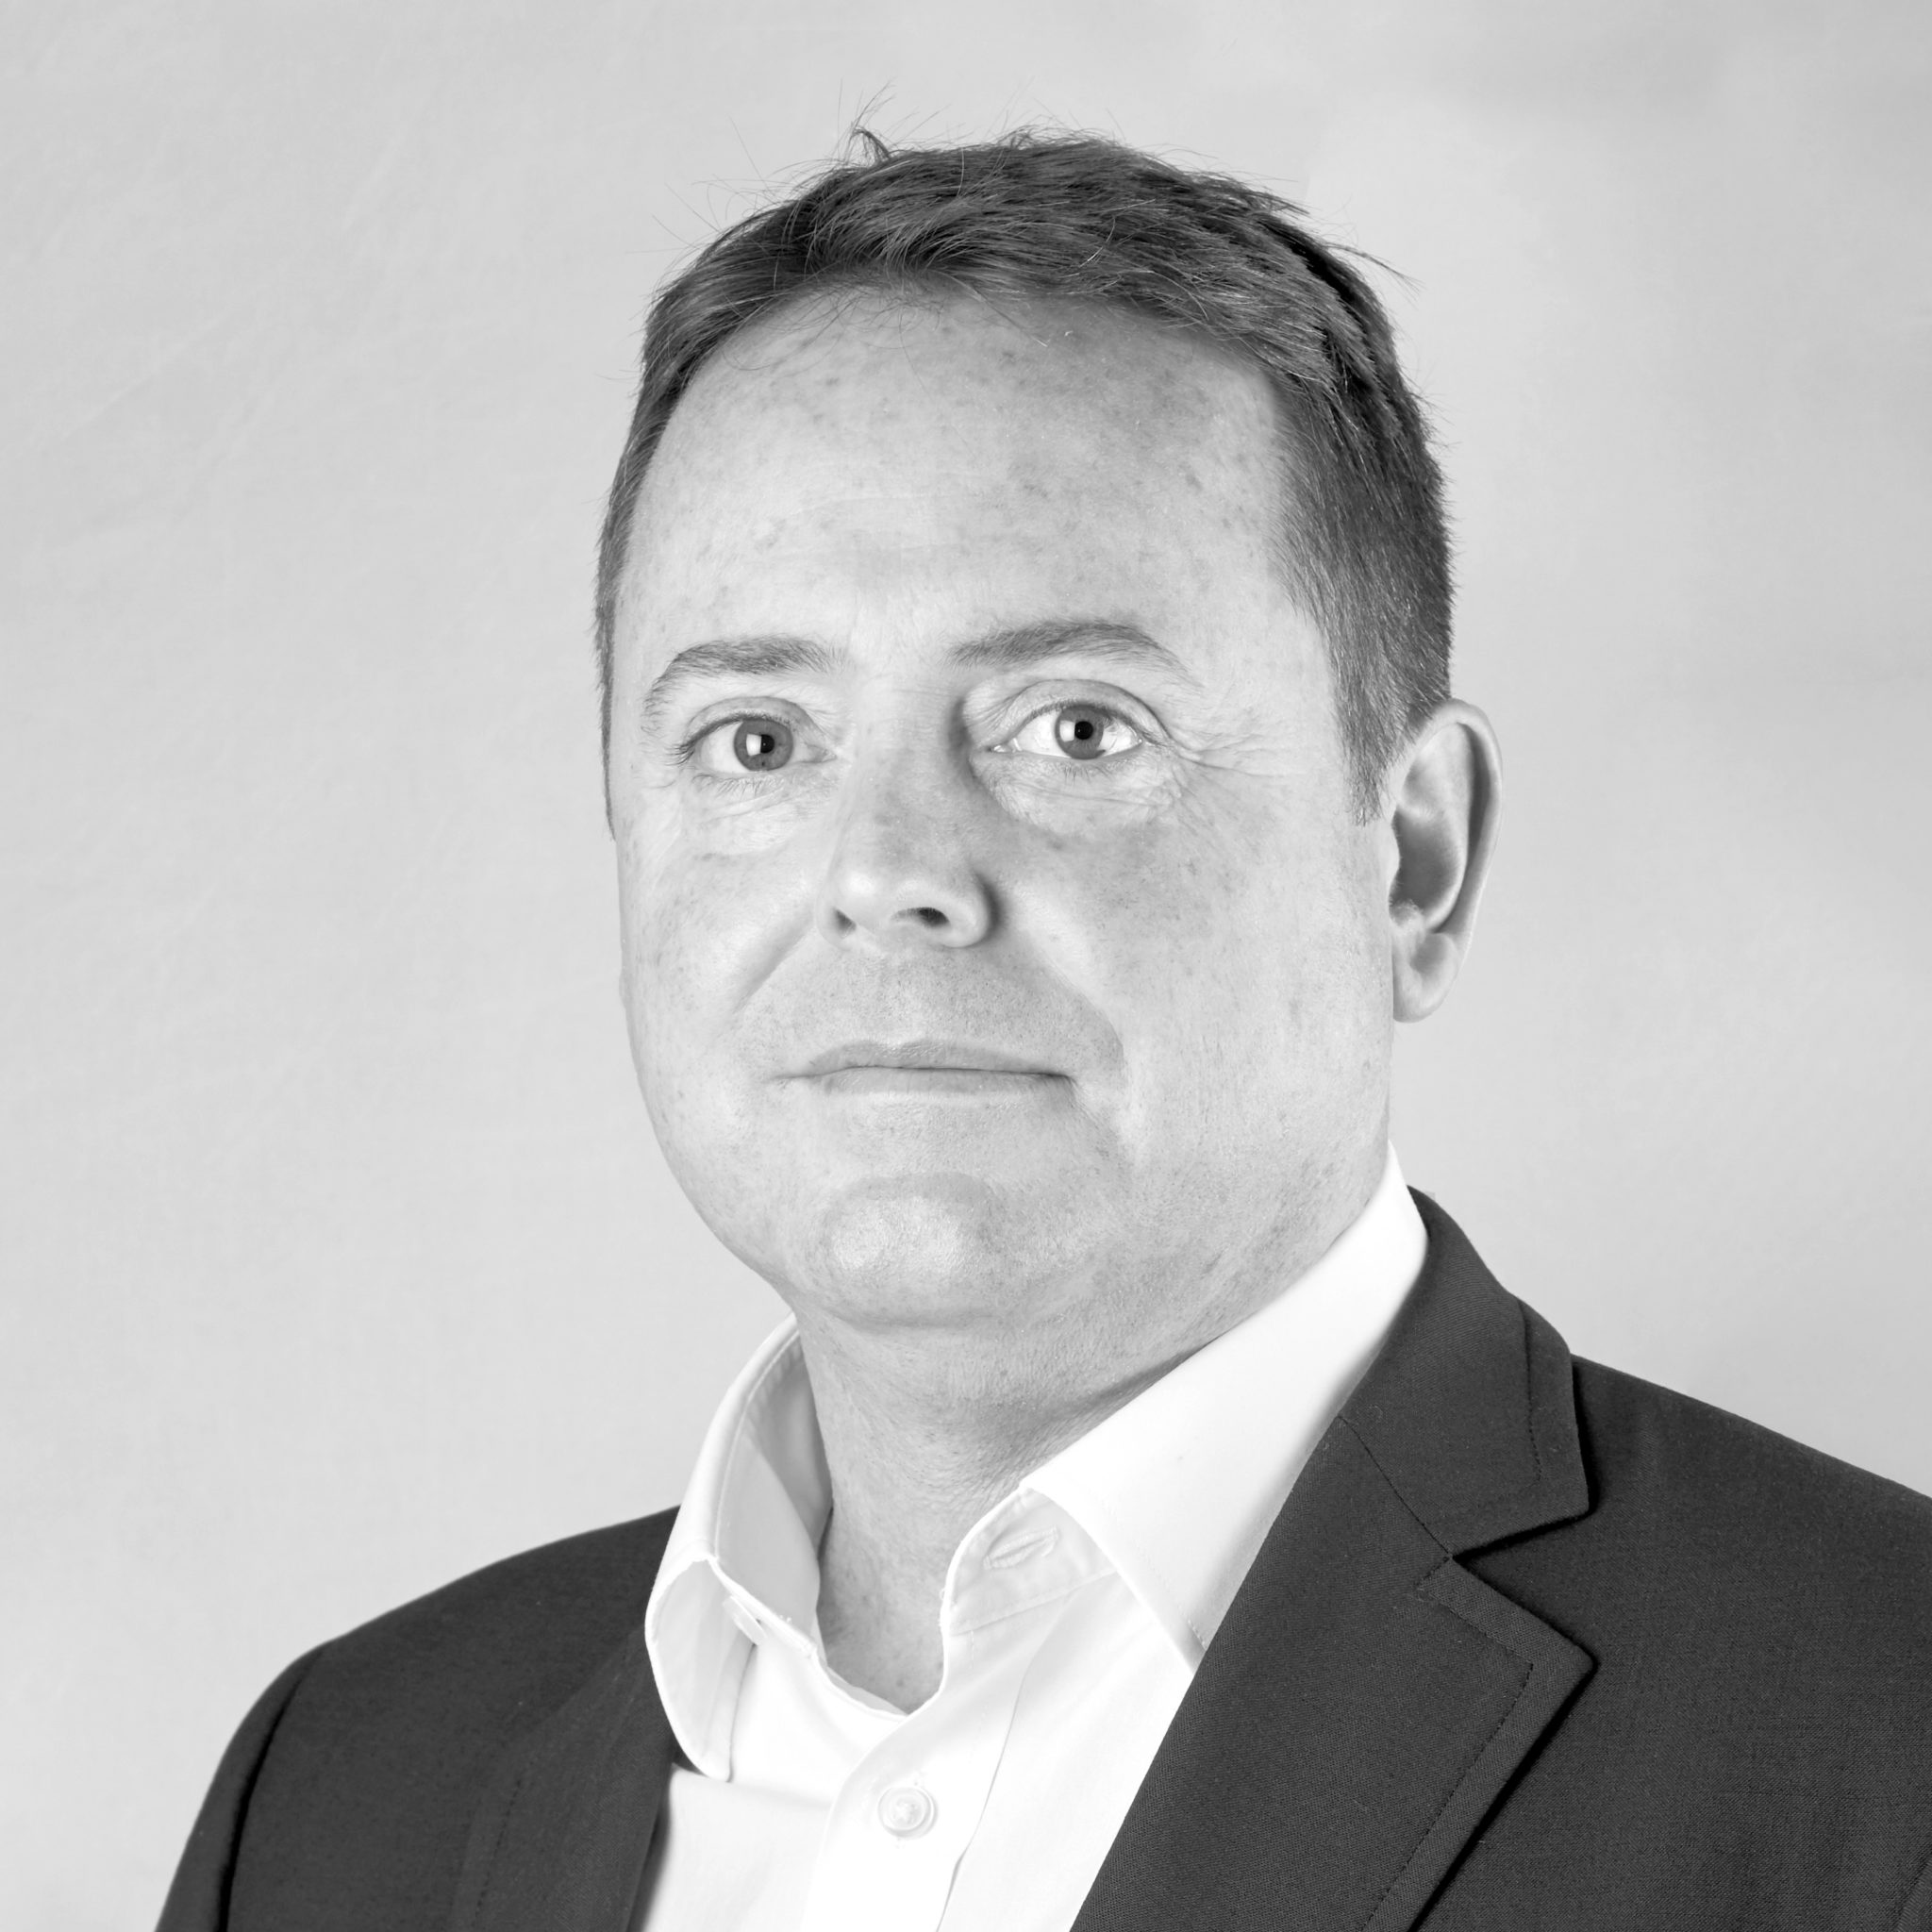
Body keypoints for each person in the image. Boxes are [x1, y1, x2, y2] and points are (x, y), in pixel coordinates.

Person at [158, 131, 1932, 1932]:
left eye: (1076, 728)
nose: (892, 875)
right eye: (760, 739)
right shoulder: (343, 1788)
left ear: (1411, 858)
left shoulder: (1886, 1738)